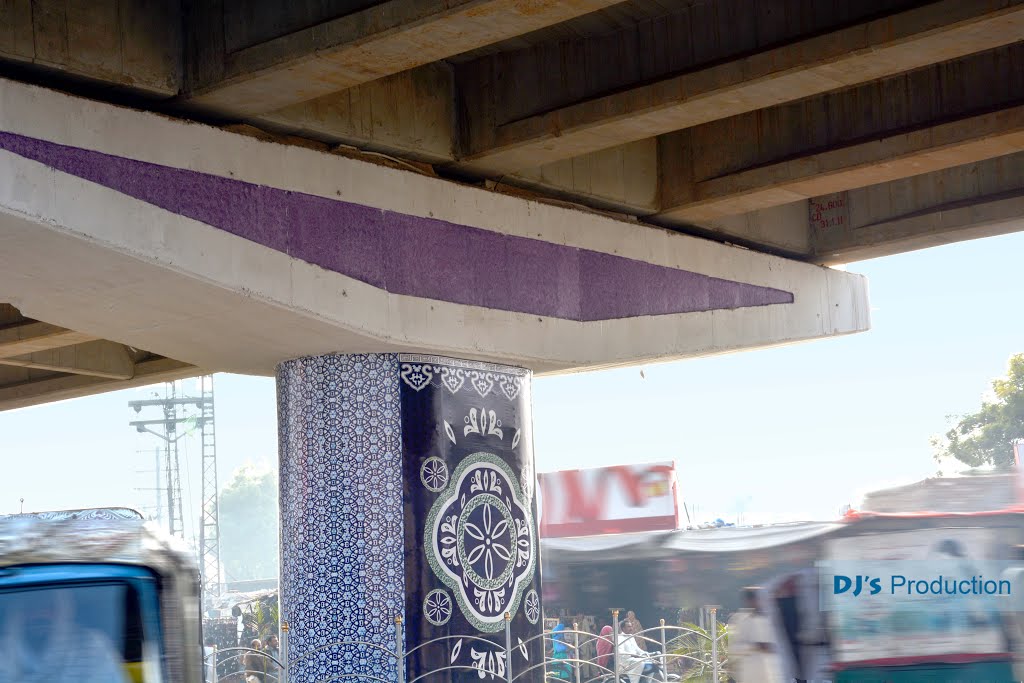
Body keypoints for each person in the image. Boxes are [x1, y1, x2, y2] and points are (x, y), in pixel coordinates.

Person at [0, 588, 129, 683]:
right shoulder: (3, 652)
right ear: (17, 613)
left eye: (49, 607)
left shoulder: (92, 646)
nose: (39, 615)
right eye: (31, 607)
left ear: (64, 611)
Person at [729, 588, 783, 683]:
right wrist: (755, 646)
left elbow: (782, 646)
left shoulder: (774, 618)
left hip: (773, 674)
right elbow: (734, 648)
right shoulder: (739, 619)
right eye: (756, 599)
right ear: (748, 601)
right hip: (750, 675)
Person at [616, 618, 650, 683]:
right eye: (628, 627)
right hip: (625, 662)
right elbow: (620, 652)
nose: (631, 628)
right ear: (623, 628)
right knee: (641, 662)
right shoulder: (619, 638)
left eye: (631, 626)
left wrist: (645, 653)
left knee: (650, 662)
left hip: (633, 660)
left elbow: (637, 649)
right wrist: (632, 654)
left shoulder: (631, 636)